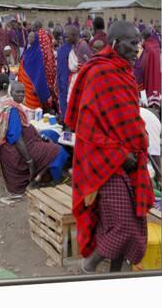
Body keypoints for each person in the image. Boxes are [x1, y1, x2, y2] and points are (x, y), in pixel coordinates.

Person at [65, 20, 154, 273]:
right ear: (116, 43)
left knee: (135, 225)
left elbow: (127, 116)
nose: (137, 49)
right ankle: (88, 266)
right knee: (122, 226)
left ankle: (115, 277)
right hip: (105, 164)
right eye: (132, 43)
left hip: (132, 160)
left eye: (139, 43)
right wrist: (119, 153)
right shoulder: (100, 72)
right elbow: (87, 129)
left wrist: (137, 144)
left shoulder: (125, 71)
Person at [0, 81, 69, 198]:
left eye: (23, 92)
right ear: (11, 92)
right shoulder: (13, 110)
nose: (21, 95)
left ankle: (39, 177)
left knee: (49, 134)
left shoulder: (10, 105)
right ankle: (56, 180)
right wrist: (29, 161)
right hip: (19, 151)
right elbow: (17, 139)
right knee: (58, 151)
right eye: (18, 92)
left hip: (24, 144)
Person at [17, 21, 57, 111]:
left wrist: (36, 85)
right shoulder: (28, 50)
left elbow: (39, 71)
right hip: (26, 85)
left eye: (32, 37)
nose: (30, 38)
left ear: (36, 39)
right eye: (29, 36)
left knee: (35, 107)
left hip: (34, 85)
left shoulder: (38, 53)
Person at [135, 26, 162, 109]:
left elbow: (139, 63)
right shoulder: (157, 46)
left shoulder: (146, 48)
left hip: (147, 77)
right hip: (157, 78)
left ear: (143, 37)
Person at [65, 25, 93, 103]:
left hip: (83, 83)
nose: (66, 39)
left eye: (67, 37)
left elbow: (89, 65)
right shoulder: (74, 45)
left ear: (74, 35)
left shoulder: (83, 46)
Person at [56, 31, 73, 121]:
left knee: (64, 100)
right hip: (70, 80)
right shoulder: (75, 49)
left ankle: (65, 119)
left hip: (64, 79)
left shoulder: (61, 50)